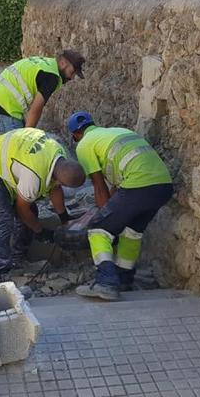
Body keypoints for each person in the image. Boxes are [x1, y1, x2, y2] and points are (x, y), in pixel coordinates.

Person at [67, 111, 173, 301]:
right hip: (163, 186)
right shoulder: (116, 132)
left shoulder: (84, 145)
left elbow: (99, 187)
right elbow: (117, 188)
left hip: (138, 185)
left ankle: (106, 282)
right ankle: (124, 278)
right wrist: (111, 214)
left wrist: (103, 218)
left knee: (98, 229)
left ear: (76, 134)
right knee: (132, 232)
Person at [0, 128, 86, 283]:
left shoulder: (58, 154)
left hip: (10, 157)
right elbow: (22, 209)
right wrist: (40, 231)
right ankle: (0, 273)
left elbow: (55, 188)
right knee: (4, 219)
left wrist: (64, 218)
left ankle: (18, 258)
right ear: (59, 178)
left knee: (32, 211)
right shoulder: (34, 177)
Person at [0, 51, 86, 134]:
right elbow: (36, 109)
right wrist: (28, 137)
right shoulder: (51, 76)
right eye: (72, 72)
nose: (72, 78)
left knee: (12, 141)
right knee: (19, 148)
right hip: (1, 107)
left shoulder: (45, 63)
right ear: (63, 63)